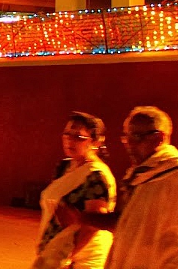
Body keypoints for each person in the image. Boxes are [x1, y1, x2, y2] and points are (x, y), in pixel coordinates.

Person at [59, 106, 178, 268]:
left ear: (159, 138)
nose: (129, 144)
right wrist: (80, 218)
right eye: (126, 137)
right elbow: (124, 222)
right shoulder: (140, 177)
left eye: (136, 136)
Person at [32, 112, 115, 269]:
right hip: (55, 252)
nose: (70, 140)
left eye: (78, 137)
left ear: (96, 141)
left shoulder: (96, 176)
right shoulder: (63, 167)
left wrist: (68, 258)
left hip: (81, 259)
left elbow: (93, 226)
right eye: (67, 134)